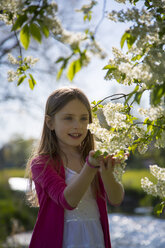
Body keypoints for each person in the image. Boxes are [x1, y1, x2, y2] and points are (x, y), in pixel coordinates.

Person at [26, 87, 124, 248]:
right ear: (50, 122)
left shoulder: (93, 157)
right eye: (68, 118)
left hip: (95, 238)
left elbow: (116, 199)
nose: (77, 125)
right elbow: (68, 200)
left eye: (84, 118)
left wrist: (106, 173)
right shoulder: (41, 164)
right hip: (63, 241)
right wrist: (90, 167)